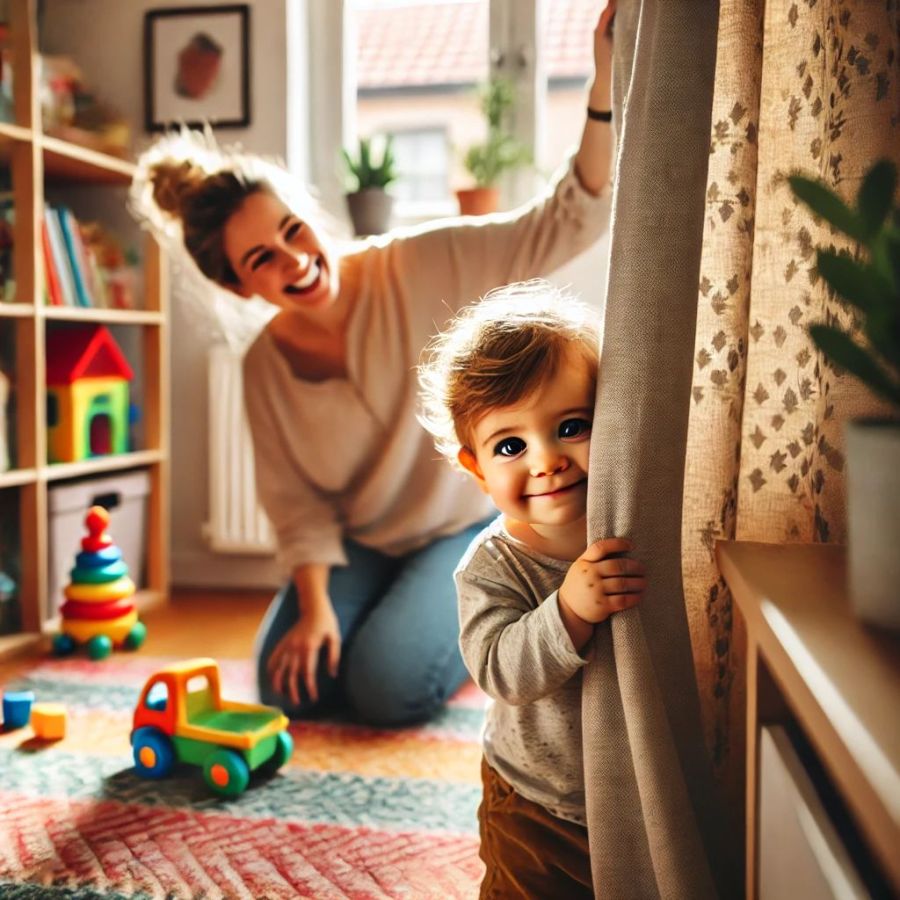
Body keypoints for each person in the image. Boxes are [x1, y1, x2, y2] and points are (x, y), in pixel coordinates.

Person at [131, 2, 618, 727]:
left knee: (384, 690)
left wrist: (604, 75)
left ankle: (480, 623)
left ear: (311, 216)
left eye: (294, 230)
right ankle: (384, 614)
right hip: (363, 543)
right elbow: (297, 505)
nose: (295, 260)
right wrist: (318, 611)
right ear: (239, 286)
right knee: (284, 684)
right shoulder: (264, 364)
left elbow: (570, 216)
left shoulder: (419, 260)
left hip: (455, 530)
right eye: (263, 258)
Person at [417, 280, 646, 898]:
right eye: (511, 445)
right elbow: (498, 669)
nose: (545, 460)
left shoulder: (636, 523)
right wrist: (569, 609)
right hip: (536, 803)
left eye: (572, 426)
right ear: (476, 467)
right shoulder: (491, 565)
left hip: (639, 797)